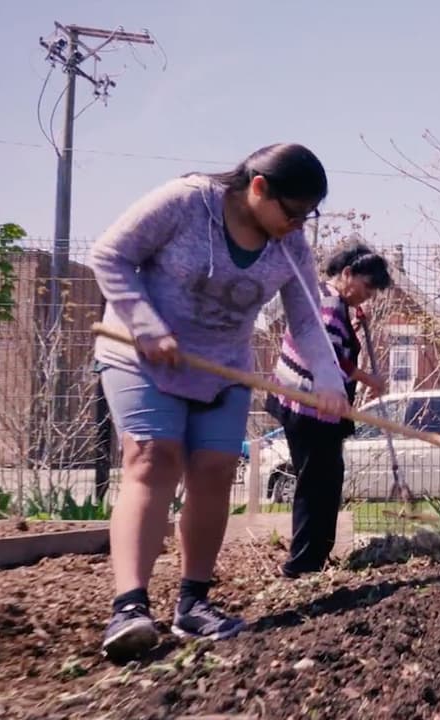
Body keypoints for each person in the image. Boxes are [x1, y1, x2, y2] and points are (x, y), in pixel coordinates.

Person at [89, 143, 350, 661]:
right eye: (293, 211)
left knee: (213, 470)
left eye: (307, 216)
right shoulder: (187, 203)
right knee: (152, 459)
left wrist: (329, 378)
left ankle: (193, 603)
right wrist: (145, 325)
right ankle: (130, 607)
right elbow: (109, 254)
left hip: (222, 368)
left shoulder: (289, 245)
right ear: (258, 188)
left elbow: (305, 318)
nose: (298, 225)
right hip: (144, 357)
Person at [265, 243, 392, 579]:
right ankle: (301, 564)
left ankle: (315, 557)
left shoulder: (333, 302)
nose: (368, 296)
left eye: (372, 292)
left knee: (327, 478)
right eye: (366, 287)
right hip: (308, 407)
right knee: (316, 483)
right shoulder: (327, 303)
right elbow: (332, 356)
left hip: (316, 409)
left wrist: (351, 319)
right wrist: (370, 378)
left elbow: (337, 340)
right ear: (347, 274)